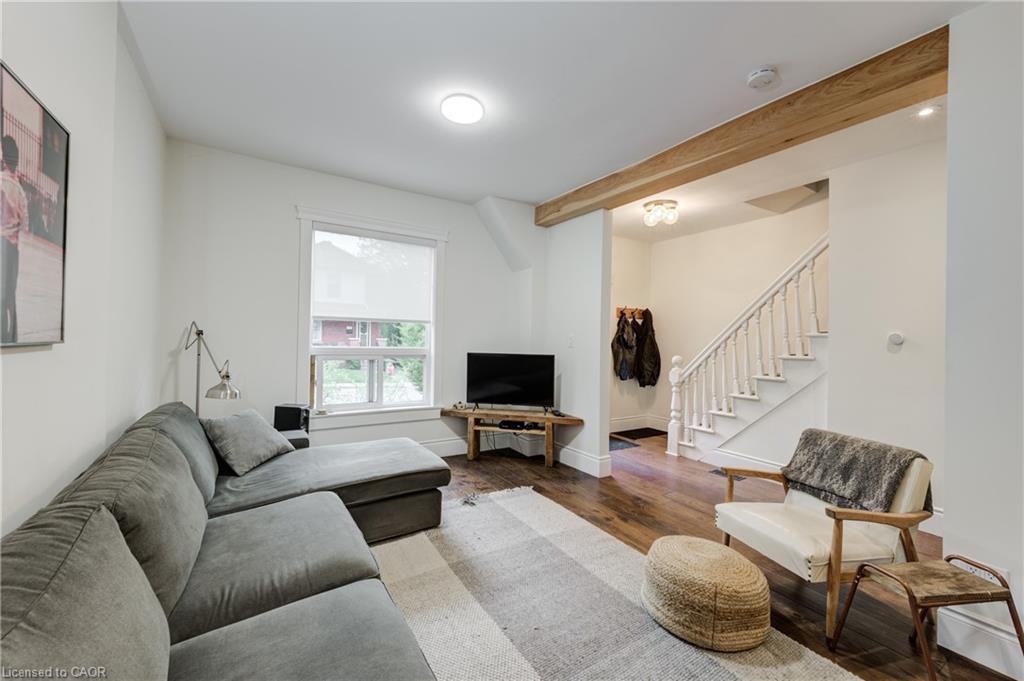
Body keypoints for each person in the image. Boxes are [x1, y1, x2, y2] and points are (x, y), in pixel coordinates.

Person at [2, 135, 29, 343]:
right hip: (13, 248)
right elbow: (26, 225)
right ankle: (12, 337)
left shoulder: (1, 183)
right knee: (10, 296)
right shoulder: (20, 191)